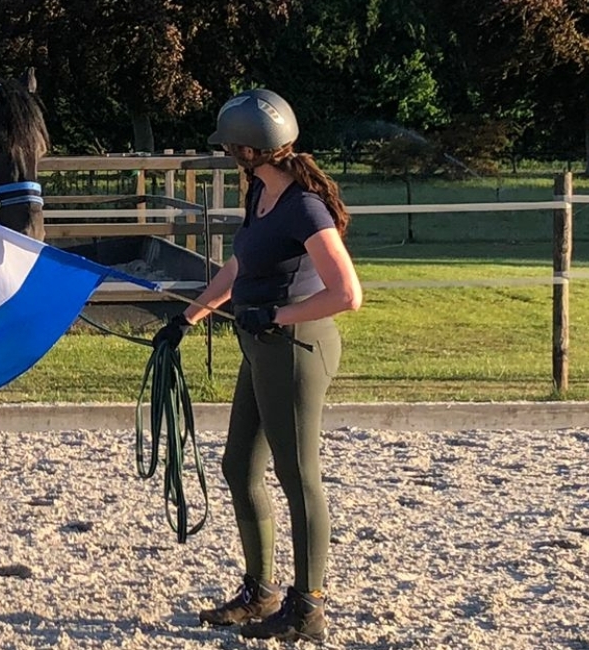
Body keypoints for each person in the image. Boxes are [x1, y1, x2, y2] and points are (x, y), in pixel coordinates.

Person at [154, 88, 363, 643]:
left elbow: (347, 293)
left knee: (299, 478)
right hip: (262, 342)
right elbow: (242, 262)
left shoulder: (303, 206)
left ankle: (308, 606)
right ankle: (260, 591)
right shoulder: (261, 192)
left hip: (296, 349)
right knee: (239, 466)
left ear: (249, 150)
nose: (225, 152)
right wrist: (191, 317)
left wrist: (276, 313)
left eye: (230, 145)